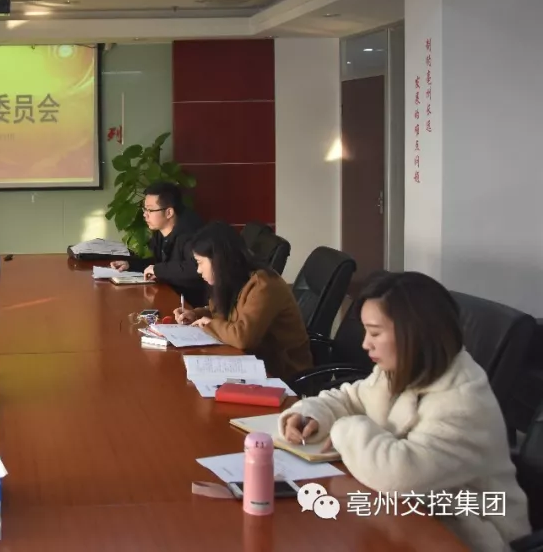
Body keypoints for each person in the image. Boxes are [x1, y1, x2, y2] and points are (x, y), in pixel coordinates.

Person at [280, 272, 529, 552]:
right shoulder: (403, 367)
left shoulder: (463, 399)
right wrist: (312, 413)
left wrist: (344, 429)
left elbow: (401, 474)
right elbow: (351, 398)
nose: (365, 344)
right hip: (412, 515)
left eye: (375, 333)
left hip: (471, 535)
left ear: (414, 333)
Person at [174, 221, 311, 378]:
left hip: (281, 374)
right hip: (252, 362)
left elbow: (242, 338)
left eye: (200, 263)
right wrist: (196, 314)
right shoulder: (235, 279)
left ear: (218, 260)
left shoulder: (263, 284)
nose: (198, 270)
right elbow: (222, 313)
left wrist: (209, 324)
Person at [110, 181, 206, 306]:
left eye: (150, 210)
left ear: (169, 212)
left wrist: (158, 270)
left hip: (191, 304)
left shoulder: (191, 234)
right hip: (169, 295)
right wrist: (130, 265)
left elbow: (196, 268)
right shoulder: (160, 231)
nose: (145, 215)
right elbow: (158, 263)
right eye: (144, 209)